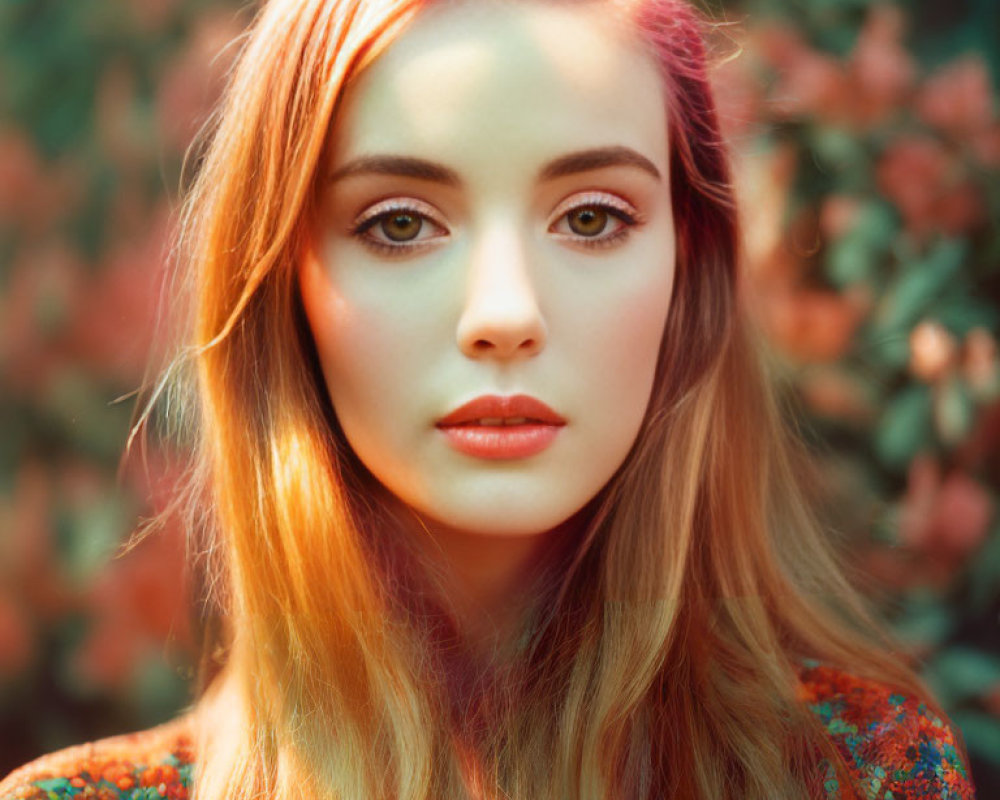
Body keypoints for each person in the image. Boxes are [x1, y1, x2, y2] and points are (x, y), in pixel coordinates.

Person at [0, 0, 978, 798]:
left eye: (591, 216)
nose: (504, 313)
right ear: (281, 290)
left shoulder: (865, 774)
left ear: (689, 271)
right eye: (399, 223)